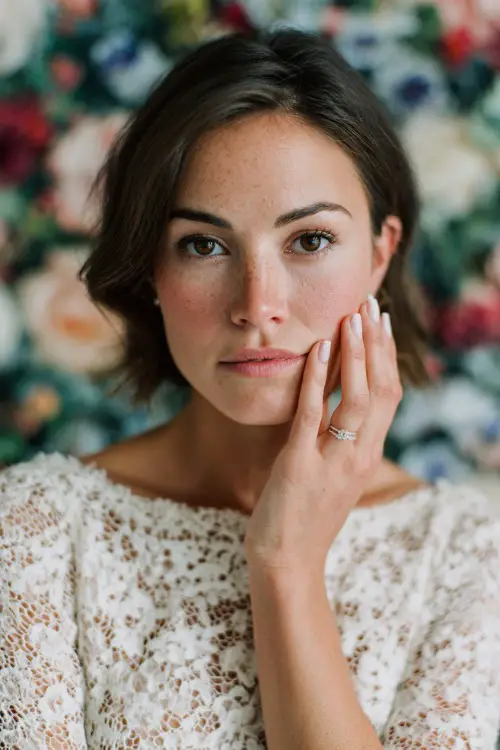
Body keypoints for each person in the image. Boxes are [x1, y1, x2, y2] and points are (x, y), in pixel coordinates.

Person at [1, 27, 499, 750]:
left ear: (380, 254)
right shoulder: (33, 534)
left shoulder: (466, 556)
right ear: (151, 270)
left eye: (310, 240)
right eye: (204, 245)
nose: (257, 304)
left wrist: (287, 566)